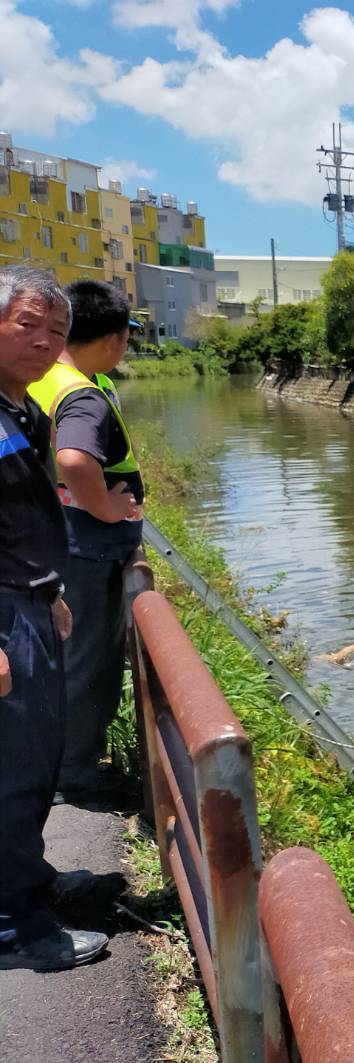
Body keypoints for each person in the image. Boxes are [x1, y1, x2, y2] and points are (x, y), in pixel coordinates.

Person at [0, 265, 111, 971]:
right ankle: (16, 928)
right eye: (27, 324)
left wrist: (53, 589)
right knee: (10, 770)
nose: (44, 341)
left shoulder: (21, 409)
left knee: (33, 764)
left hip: (29, 602)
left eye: (57, 331)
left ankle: (29, 882)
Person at [28, 280, 145, 798]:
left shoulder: (44, 377)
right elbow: (74, 460)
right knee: (90, 662)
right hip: (87, 551)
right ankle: (76, 776)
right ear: (114, 339)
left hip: (51, 542)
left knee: (62, 658)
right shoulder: (82, 396)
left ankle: (60, 762)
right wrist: (107, 505)